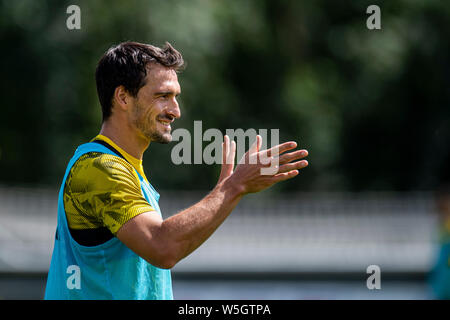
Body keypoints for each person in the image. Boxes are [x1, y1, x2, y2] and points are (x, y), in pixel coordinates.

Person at [44, 41, 309, 300]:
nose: (175, 111)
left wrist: (232, 189)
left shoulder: (124, 168)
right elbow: (163, 247)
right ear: (123, 97)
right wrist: (233, 187)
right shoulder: (100, 168)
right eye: (163, 96)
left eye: (175, 97)